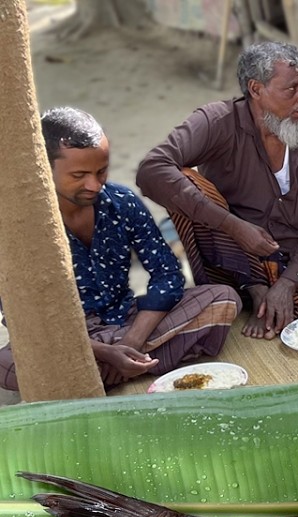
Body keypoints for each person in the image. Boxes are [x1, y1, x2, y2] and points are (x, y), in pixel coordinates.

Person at [137, 42, 298, 341]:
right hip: (233, 258)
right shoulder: (217, 122)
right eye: (292, 89)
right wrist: (233, 226)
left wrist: (288, 283)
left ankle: (271, 301)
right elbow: (151, 170)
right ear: (256, 89)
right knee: (185, 180)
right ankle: (257, 290)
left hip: (297, 263)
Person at [0, 108, 241, 392]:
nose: (94, 184)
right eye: (79, 175)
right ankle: (132, 366)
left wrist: (130, 343)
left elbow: (167, 274)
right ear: (43, 166)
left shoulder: (121, 201)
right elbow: (27, 320)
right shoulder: (19, 227)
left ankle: (102, 373)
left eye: (101, 171)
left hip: (128, 321)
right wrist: (103, 352)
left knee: (223, 298)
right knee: (9, 362)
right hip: (64, 338)